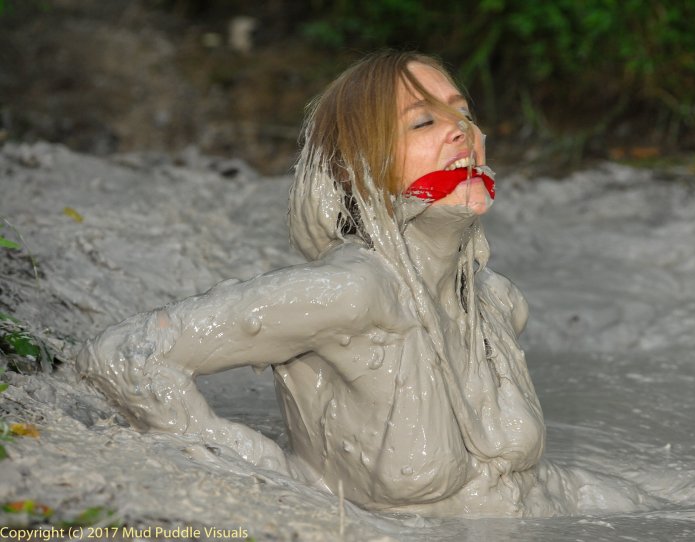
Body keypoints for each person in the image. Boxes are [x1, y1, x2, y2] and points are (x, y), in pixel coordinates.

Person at [76, 50, 556, 517]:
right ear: (353, 168)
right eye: (423, 122)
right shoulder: (349, 293)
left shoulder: (497, 302)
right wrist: (286, 482)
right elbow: (124, 356)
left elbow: (529, 492)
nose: (462, 132)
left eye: (464, 114)